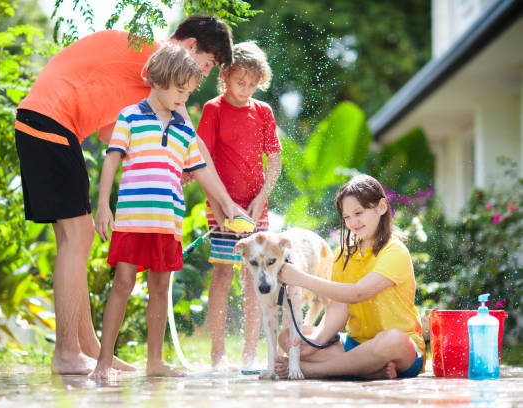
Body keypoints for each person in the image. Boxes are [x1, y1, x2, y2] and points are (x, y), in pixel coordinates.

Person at [14, 15, 234, 375]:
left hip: (52, 124)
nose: (197, 80)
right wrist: (224, 203)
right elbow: (191, 143)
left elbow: (107, 133)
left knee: (77, 235)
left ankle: (88, 349)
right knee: (77, 236)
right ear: (190, 47)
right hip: (51, 120)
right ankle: (67, 352)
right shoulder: (157, 57)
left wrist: (162, 159)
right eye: (206, 65)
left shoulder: (141, 81)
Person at [91, 44, 245, 379]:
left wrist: (228, 204)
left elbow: (202, 170)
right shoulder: (130, 116)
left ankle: (154, 361)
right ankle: (104, 361)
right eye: (179, 90)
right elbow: (111, 161)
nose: (183, 99)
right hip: (132, 220)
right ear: (158, 81)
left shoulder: (183, 128)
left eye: (188, 92)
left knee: (160, 289)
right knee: (123, 283)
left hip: (167, 223)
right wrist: (103, 206)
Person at [275, 174, 425, 380]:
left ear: (381, 207)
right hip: (354, 345)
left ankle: (313, 371)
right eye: (347, 217)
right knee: (289, 337)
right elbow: (338, 306)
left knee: (392, 340)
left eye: (358, 213)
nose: (353, 222)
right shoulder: (344, 254)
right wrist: (316, 341)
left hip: (399, 349)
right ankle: (369, 369)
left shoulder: (395, 251)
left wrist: (300, 278)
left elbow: (357, 293)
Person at [196, 41, 282, 369]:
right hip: (221, 207)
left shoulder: (263, 112)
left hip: (256, 210)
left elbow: (273, 160)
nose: (245, 90)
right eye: (239, 82)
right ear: (225, 76)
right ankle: (217, 352)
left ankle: (249, 353)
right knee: (221, 273)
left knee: (255, 277)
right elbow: (203, 159)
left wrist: (261, 200)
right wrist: (220, 209)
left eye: (252, 84)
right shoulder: (213, 109)